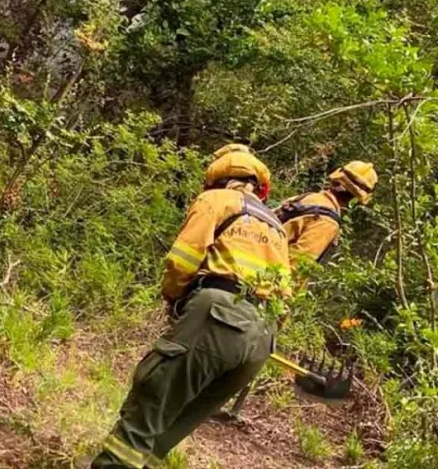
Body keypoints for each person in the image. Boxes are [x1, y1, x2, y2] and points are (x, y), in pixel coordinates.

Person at [91, 146, 290, 469]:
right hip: (262, 339)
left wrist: (174, 300)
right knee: (172, 425)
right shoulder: (276, 226)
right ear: (258, 185)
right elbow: (286, 295)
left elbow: (182, 260)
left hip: (219, 315)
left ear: (215, 178)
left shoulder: (215, 200)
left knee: (154, 397)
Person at [218, 159, 379, 419]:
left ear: (337, 179)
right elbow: (298, 263)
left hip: (244, 269)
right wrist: (281, 303)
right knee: (252, 346)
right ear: (358, 198)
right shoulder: (328, 221)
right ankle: (217, 401)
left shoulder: (307, 199)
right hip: (266, 286)